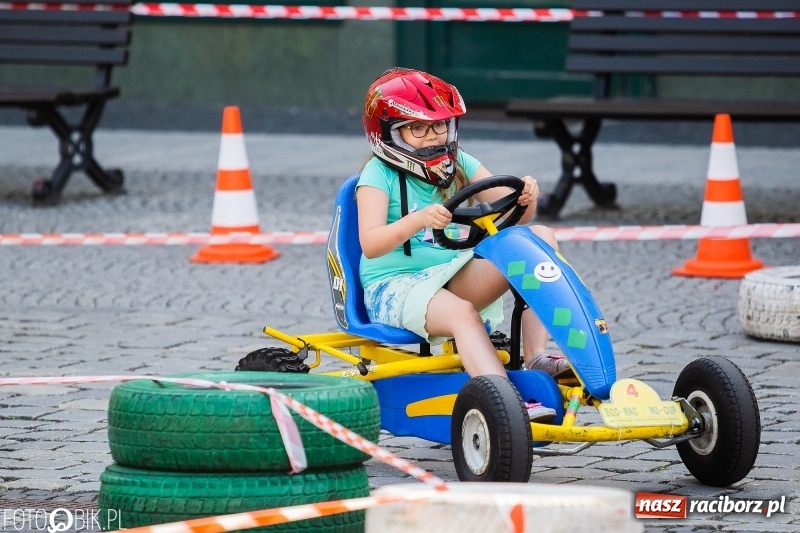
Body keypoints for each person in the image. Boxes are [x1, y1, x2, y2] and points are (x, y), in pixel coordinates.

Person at [357, 68, 570, 422]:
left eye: (440, 125)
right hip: (394, 285)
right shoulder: (378, 175)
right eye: (418, 128)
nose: (432, 135)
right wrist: (418, 220)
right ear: (389, 133)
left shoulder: (458, 163)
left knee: (540, 241)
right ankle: (507, 403)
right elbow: (370, 243)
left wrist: (526, 196)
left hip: (447, 274)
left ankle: (536, 357)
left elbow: (516, 214)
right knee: (462, 314)